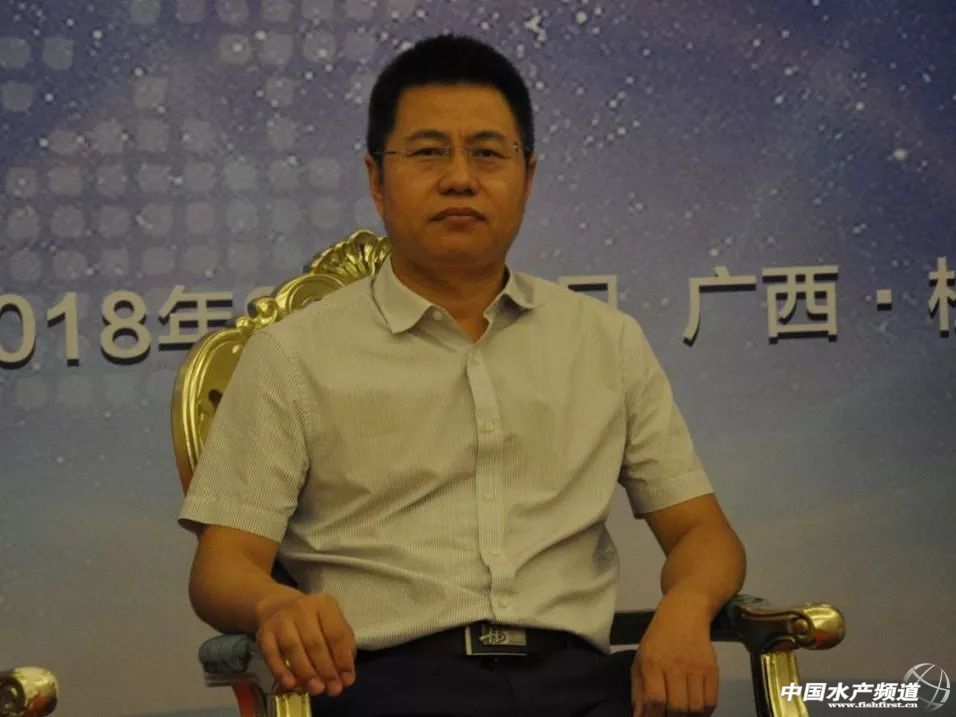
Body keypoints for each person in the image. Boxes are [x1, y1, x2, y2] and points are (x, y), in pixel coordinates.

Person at [179, 34, 745, 717]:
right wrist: (275, 604)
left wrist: (686, 608)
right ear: (376, 180)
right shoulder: (294, 355)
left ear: (527, 177)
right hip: (382, 686)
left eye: (487, 153)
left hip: (580, 683)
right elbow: (222, 565)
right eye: (427, 153)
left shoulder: (605, 342)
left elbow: (703, 533)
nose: (459, 178)